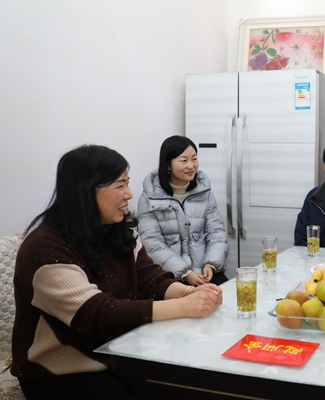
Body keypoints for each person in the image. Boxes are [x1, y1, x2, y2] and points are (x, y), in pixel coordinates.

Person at [12, 144, 223, 400]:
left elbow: (150, 279)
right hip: (62, 372)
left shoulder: (117, 231)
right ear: (86, 190)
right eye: (120, 185)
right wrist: (183, 306)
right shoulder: (45, 247)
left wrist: (191, 292)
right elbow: (96, 313)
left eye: (128, 183)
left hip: (120, 354)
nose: (129, 194)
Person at [138, 135, 229, 286]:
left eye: (194, 159)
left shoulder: (204, 193)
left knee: (230, 296)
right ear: (168, 165)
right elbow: (152, 243)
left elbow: (216, 233)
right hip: (170, 275)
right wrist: (185, 273)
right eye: (184, 160)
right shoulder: (149, 198)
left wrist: (211, 264)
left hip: (205, 272)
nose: (191, 166)